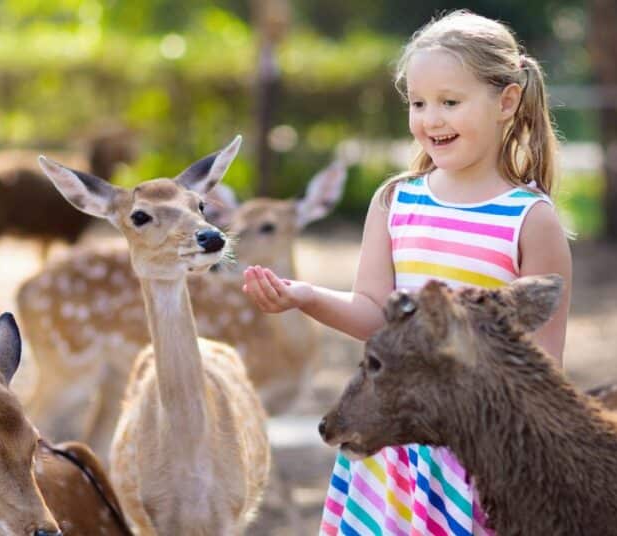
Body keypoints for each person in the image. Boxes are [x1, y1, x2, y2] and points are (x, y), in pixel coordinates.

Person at [242, 10, 572, 536]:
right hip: (392, 449)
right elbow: (375, 315)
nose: (430, 120)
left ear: (506, 102)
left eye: (450, 102)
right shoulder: (396, 201)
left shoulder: (531, 220)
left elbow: (544, 365)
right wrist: (304, 296)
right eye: (418, 104)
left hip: (478, 453)